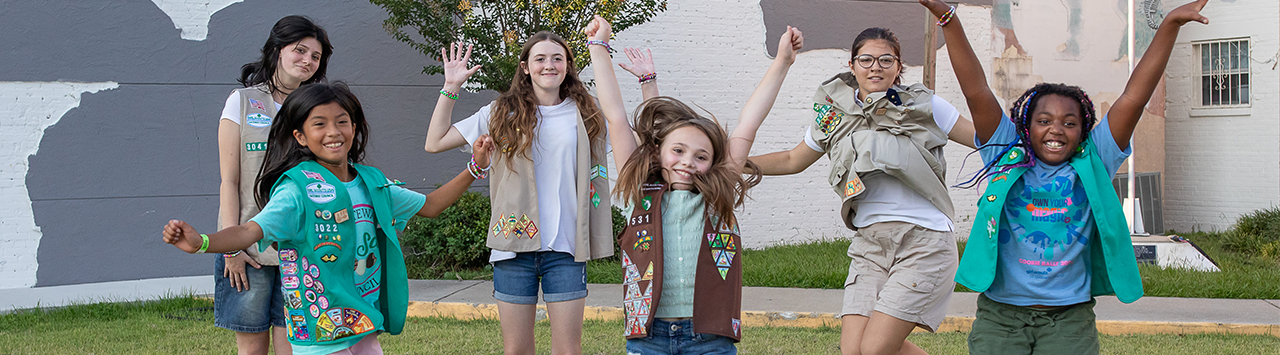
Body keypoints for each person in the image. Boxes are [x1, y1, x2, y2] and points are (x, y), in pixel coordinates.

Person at [920, 0, 1210, 353]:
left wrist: (1169, 26)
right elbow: (976, 89)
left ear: (1084, 130)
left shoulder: (1095, 158)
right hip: (1002, 316)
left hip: (1069, 319)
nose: (1056, 130)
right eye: (1044, 121)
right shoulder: (1004, 153)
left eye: (1069, 123)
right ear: (1026, 128)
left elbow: (1134, 97)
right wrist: (949, 19)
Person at [166, 83, 494, 354]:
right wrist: (202, 243)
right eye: (319, 124)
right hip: (318, 325)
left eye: (342, 121)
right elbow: (250, 231)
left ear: (355, 127)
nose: (333, 132)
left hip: (361, 317)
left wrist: (475, 167)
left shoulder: (372, 183)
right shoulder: (297, 191)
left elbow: (431, 205)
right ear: (300, 136)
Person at [747, 22, 978, 355]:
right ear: (851, 65)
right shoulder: (834, 115)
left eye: (886, 60)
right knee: (853, 350)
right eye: (866, 59)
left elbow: (985, 139)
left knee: (874, 350)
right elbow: (791, 160)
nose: (875, 67)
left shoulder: (925, 106)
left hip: (923, 240)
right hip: (870, 243)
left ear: (899, 67)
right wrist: (730, 163)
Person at [588, 16, 802, 354]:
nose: (688, 161)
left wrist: (782, 62)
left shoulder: (716, 196)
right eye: (678, 151)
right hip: (649, 335)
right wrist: (599, 47)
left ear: (713, 163)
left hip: (710, 336)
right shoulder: (640, 193)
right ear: (658, 154)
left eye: (701, 156)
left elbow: (749, 122)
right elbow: (615, 115)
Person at [421, 30, 615, 355]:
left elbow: (622, 131)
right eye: (540, 58)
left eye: (557, 58)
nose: (549, 65)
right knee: (516, 351)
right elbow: (434, 142)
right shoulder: (499, 112)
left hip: (565, 249)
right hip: (512, 249)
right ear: (526, 67)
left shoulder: (586, 115)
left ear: (568, 66)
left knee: (569, 350)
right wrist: (451, 88)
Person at [215, 15, 332, 355]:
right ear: (278, 50)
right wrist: (231, 248)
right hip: (248, 249)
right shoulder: (242, 101)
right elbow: (229, 181)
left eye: (316, 56)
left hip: (302, 246)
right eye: (300, 51)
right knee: (252, 349)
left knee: (294, 347)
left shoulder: (318, 108)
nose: (308, 61)